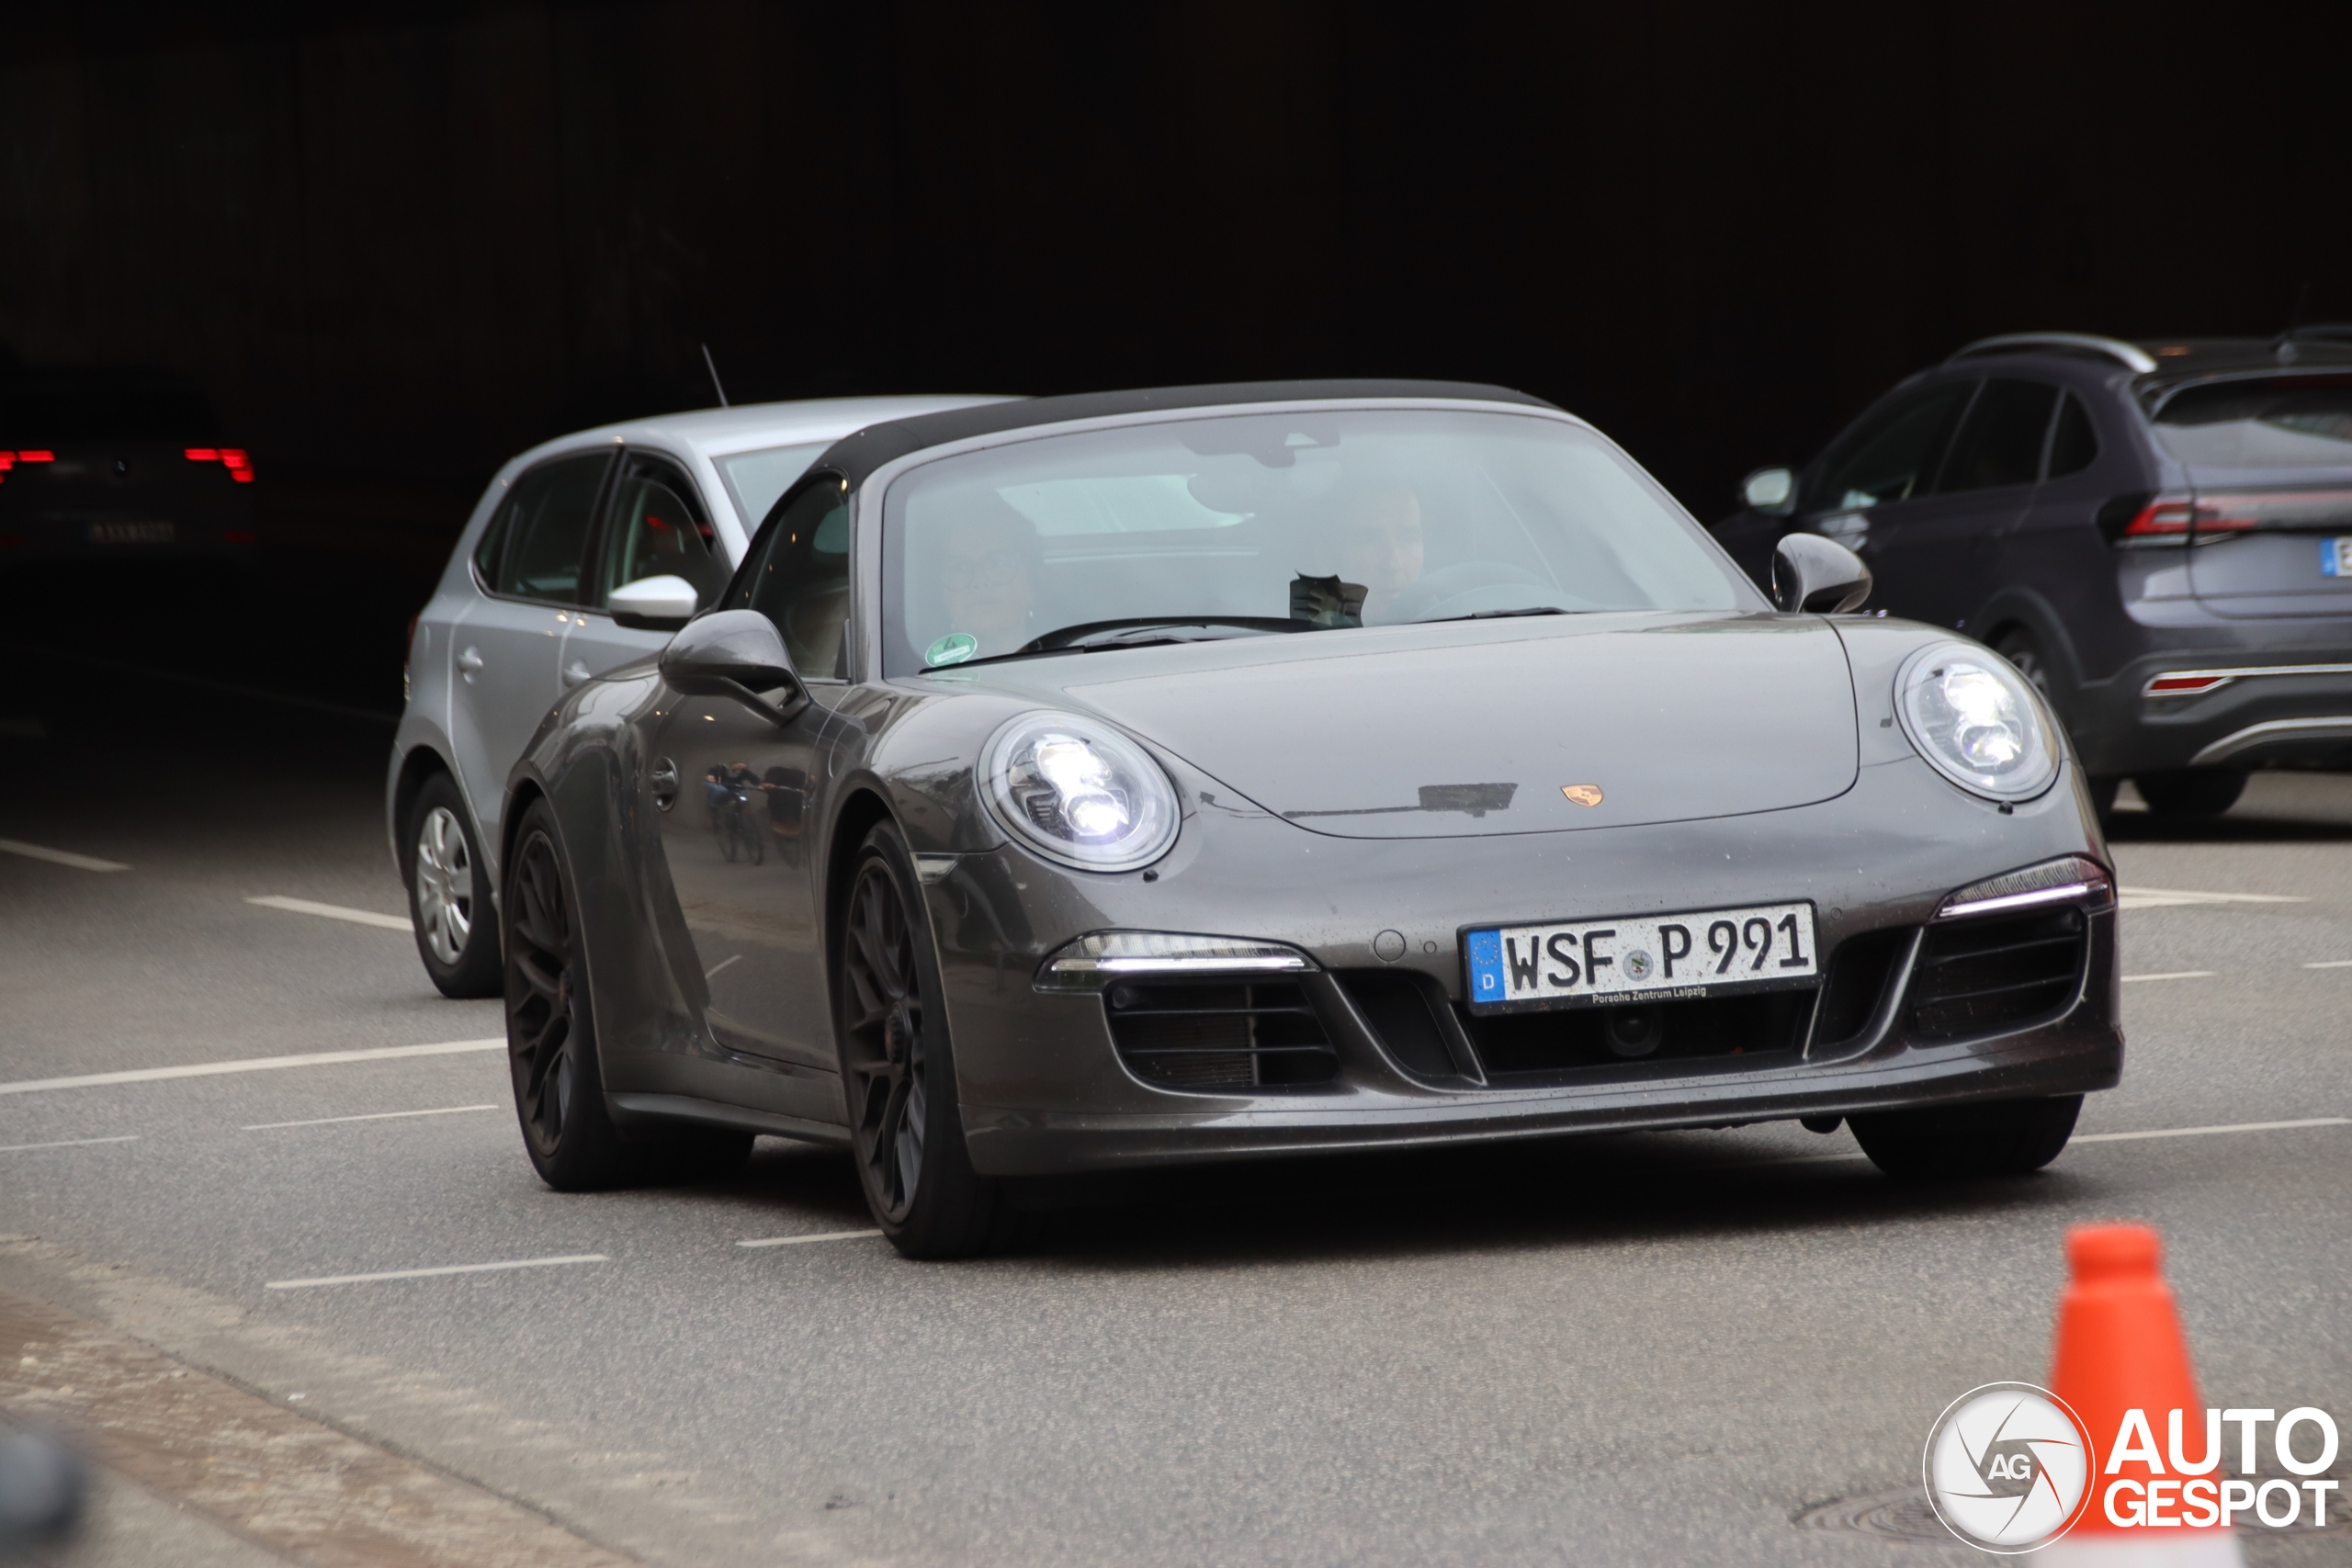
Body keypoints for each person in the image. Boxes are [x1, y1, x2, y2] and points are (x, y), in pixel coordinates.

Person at [935, 509, 1040, 658]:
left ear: (1031, 582)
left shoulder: (1071, 662)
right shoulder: (915, 672)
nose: (979, 581)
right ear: (943, 594)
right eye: (960, 568)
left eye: (997, 562)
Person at [1330, 485, 1425, 622]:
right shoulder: (1305, 638)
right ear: (1328, 560)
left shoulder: (1455, 616)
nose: (1392, 564)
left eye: (1408, 539)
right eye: (1369, 541)